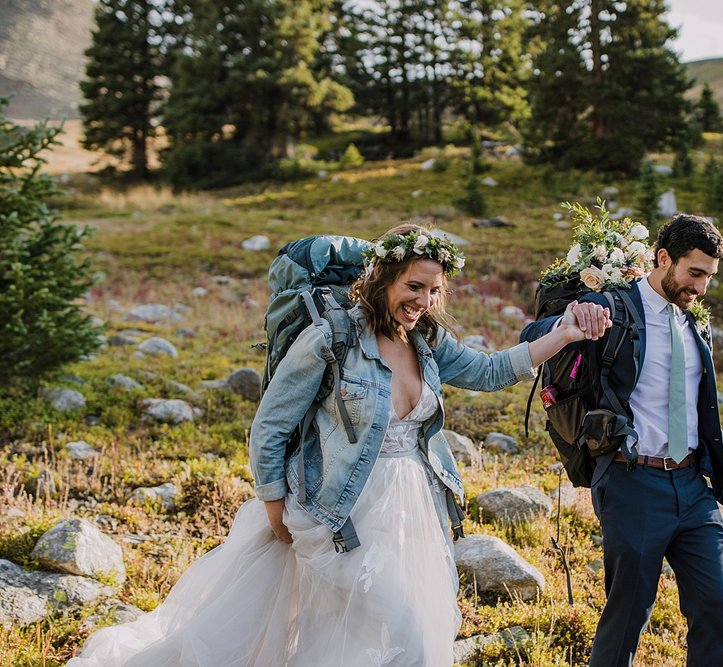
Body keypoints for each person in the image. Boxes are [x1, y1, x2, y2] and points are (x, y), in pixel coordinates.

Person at [68, 223, 611, 667]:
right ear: (382, 279)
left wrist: (564, 334)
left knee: (352, 639)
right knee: (411, 640)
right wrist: (275, 506)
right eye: (412, 286)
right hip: (338, 510)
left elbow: (492, 371)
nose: (422, 300)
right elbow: (271, 425)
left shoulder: (426, 341)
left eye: (432, 290)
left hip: (411, 510)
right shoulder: (331, 338)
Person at [521, 214, 723, 667]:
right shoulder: (614, 308)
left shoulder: (695, 325)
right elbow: (531, 336)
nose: (701, 288)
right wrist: (571, 319)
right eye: (695, 273)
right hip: (632, 482)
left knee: (715, 605)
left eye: (710, 277)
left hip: (693, 487)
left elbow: (704, 413)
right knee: (628, 613)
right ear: (663, 258)